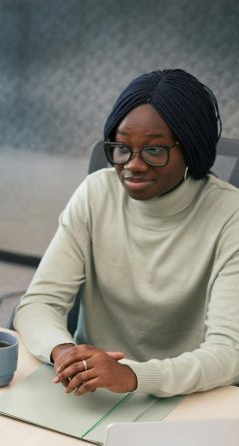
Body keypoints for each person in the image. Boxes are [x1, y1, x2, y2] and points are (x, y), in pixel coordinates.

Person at [14, 69, 239, 398]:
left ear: (190, 147)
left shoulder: (230, 215)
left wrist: (134, 375)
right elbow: (38, 304)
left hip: (190, 395)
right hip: (93, 390)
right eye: (121, 148)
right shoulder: (95, 193)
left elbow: (228, 352)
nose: (133, 164)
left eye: (154, 150)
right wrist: (63, 352)